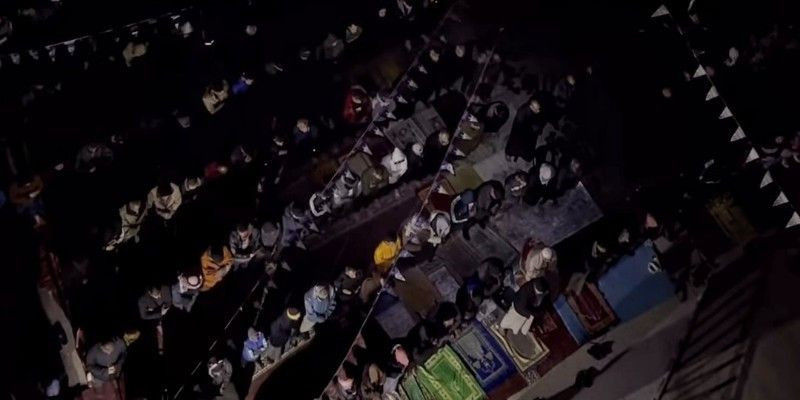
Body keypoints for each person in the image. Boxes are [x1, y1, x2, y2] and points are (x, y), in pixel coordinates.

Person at [506, 97, 547, 162]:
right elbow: (519, 124)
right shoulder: (523, 110)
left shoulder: (539, 112)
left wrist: (537, 128)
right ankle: (509, 153)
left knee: (528, 147)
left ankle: (525, 156)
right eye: (535, 109)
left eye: (538, 109)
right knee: (514, 143)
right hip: (520, 131)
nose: (537, 110)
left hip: (530, 133)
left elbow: (541, 121)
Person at [138, 285, 172, 354]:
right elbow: (144, 316)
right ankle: (160, 348)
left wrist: (166, 307)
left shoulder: (164, 288)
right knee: (159, 330)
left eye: (159, 294)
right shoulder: (142, 300)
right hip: (156, 316)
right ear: (149, 293)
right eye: (155, 296)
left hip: (166, 311)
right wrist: (160, 313)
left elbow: (169, 300)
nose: (158, 297)